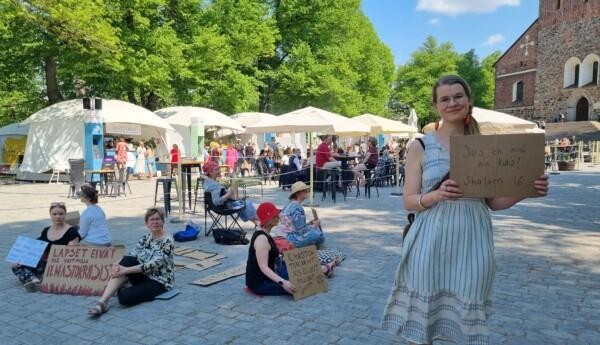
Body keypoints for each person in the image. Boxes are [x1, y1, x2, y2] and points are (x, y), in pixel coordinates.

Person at [382, 75, 549, 345]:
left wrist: (526, 190)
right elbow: (409, 200)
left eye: (458, 96)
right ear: (436, 106)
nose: (452, 103)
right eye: (444, 99)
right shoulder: (421, 146)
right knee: (422, 324)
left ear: (469, 100)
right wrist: (436, 195)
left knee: (466, 324)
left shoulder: (485, 147)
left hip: (473, 239)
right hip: (430, 239)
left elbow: (493, 202)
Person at [88, 208, 174, 317]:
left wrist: (125, 270)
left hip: (159, 282)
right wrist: (116, 264)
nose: (155, 222)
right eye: (152, 220)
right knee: (127, 260)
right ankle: (102, 302)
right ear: (147, 224)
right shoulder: (146, 238)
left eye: (158, 219)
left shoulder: (168, 241)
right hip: (144, 275)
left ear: (163, 222)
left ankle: (119, 285)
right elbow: (133, 254)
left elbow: (153, 264)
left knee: (124, 298)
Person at [245, 202, 334, 296]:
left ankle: (323, 269)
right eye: (275, 215)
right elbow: (263, 267)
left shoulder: (266, 233)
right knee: (298, 286)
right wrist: (283, 282)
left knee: (297, 268)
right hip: (260, 283)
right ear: (269, 220)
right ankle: (324, 270)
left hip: (272, 271)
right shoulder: (261, 239)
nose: (278, 216)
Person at [12, 203, 80, 292]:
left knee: (47, 273)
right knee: (16, 266)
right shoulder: (46, 230)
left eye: (61, 214)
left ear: (65, 215)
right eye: (54, 214)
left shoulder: (72, 231)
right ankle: (35, 280)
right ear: (50, 215)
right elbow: (37, 249)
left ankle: (37, 280)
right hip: (46, 263)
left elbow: (70, 255)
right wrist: (22, 259)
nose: (58, 217)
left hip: (61, 266)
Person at [202, 160, 259, 226]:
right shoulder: (213, 186)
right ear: (211, 172)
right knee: (246, 204)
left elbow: (220, 193)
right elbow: (216, 201)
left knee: (242, 202)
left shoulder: (208, 182)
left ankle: (256, 222)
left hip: (223, 205)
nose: (219, 171)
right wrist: (228, 194)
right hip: (223, 208)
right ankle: (258, 220)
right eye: (217, 169)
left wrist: (229, 191)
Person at [272, 181, 325, 248]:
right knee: (318, 235)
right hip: (288, 238)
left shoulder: (291, 204)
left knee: (315, 233)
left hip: (282, 235)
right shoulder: (297, 207)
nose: (307, 192)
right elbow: (301, 231)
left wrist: (309, 224)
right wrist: (314, 225)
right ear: (298, 193)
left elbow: (297, 226)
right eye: (304, 190)